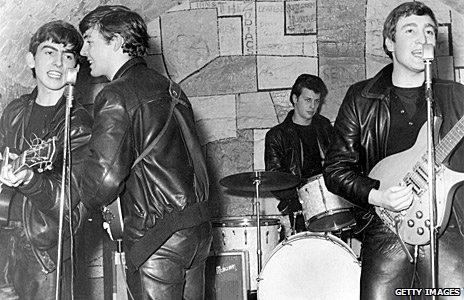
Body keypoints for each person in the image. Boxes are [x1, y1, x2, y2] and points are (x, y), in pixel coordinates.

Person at [323, 2, 464, 299]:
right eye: (409, 30)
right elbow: (336, 170)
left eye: (428, 31)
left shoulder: (457, 97)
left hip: (449, 228)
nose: (422, 38)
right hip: (387, 229)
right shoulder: (362, 98)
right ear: (390, 42)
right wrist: (378, 195)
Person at [78, 5, 212, 299]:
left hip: (158, 240)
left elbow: (103, 183)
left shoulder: (115, 94)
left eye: (90, 40)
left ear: (114, 41)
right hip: (196, 232)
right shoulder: (171, 88)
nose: (84, 51)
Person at [0, 21, 92, 299]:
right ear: (31, 59)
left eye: (68, 55)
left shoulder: (77, 124)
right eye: (49, 51)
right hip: (4, 239)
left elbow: (67, 203)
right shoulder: (14, 111)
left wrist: (30, 179)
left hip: (44, 249)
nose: (58, 62)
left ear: (75, 67)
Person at [265, 74, 334, 233]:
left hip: (330, 200)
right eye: (308, 100)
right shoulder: (277, 135)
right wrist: (304, 197)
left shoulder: (324, 126)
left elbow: (337, 161)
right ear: (295, 99)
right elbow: (275, 180)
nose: (313, 106)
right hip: (298, 206)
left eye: (317, 101)